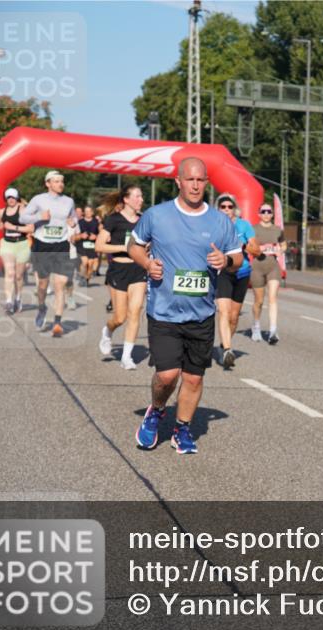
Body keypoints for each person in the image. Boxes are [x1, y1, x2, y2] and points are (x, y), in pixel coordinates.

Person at [130, 157, 242, 454]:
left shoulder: (220, 221)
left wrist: (226, 260)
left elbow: (238, 258)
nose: (195, 185)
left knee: (193, 377)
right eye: (189, 179)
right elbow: (134, 246)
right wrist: (147, 263)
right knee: (168, 375)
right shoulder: (156, 215)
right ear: (178, 181)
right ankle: (156, 411)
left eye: (200, 180)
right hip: (164, 310)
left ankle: (182, 429)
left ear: (207, 182)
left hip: (201, 313)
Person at [20, 171, 78, 336]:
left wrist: (73, 223)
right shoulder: (38, 199)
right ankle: (42, 307)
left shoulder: (68, 201)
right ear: (48, 183)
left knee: (60, 283)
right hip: (42, 244)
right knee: (43, 285)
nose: (60, 184)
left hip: (61, 244)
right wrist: (39, 216)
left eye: (62, 181)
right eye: (56, 181)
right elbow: (23, 218)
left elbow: (74, 218)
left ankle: (57, 323)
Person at [97, 185, 147, 370]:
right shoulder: (114, 219)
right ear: (126, 199)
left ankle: (127, 357)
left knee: (135, 311)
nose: (141, 200)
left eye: (141, 196)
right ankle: (107, 331)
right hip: (118, 269)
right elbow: (99, 246)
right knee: (120, 317)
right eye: (137, 196)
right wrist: (124, 248)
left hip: (138, 269)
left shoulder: (144, 220)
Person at [213, 192, 255, 368]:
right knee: (224, 311)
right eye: (223, 207)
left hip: (242, 273)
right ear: (218, 209)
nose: (226, 209)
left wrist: (245, 246)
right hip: (223, 272)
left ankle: (224, 344)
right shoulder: (213, 225)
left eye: (230, 207)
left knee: (234, 317)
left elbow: (256, 249)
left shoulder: (244, 225)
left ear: (235, 209)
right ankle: (228, 350)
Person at [248, 203, 286, 344]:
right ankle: (256, 327)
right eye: (263, 211)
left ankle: (273, 331)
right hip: (257, 267)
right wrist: (259, 249)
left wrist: (280, 250)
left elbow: (283, 244)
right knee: (259, 301)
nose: (266, 214)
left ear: (272, 214)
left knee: (272, 298)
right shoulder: (253, 229)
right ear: (259, 214)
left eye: (268, 211)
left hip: (273, 267)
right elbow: (247, 247)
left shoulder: (277, 230)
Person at [0, 187, 32, 313]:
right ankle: (9, 301)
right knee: (10, 273)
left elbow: (30, 228)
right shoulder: (1, 212)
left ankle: (18, 298)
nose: (11, 199)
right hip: (7, 244)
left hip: (22, 244)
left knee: (19, 276)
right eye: (8, 197)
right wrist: (0, 225)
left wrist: (13, 227)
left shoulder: (23, 210)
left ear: (17, 198)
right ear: (5, 199)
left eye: (13, 197)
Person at [74, 205, 100, 287]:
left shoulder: (96, 222)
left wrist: (96, 236)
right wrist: (81, 235)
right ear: (84, 213)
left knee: (91, 263)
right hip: (81, 244)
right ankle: (82, 276)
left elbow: (101, 233)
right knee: (85, 262)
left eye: (89, 211)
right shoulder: (80, 222)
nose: (88, 213)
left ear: (92, 212)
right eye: (86, 211)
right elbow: (75, 234)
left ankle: (87, 279)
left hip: (92, 245)